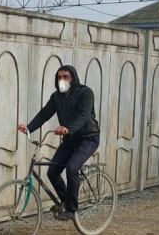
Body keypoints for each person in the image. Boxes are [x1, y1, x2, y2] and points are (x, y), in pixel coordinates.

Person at [17, 64, 100, 220]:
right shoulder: (57, 97)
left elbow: (83, 116)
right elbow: (44, 114)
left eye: (65, 77)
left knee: (71, 168)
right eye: (59, 77)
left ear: (73, 78)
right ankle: (66, 200)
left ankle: (72, 210)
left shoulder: (85, 93)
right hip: (70, 139)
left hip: (88, 138)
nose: (62, 80)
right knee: (52, 172)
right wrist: (28, 128)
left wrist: (68, 128)